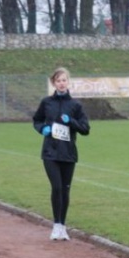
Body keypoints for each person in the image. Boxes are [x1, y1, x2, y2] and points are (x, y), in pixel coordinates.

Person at [32, 67, 90, 240]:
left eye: (64, 80)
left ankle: (62, 226)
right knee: (56, 187)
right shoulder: (46, 102)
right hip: (50, 152)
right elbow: (37, 120)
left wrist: (71, 121)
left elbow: (85, 129)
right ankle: (56, 225)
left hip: (68, 153)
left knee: (65, 190)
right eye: (58, 80)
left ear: (68, 82)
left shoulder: (75, 105)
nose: (61, 83)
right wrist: (42, 128)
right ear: (53, 83)